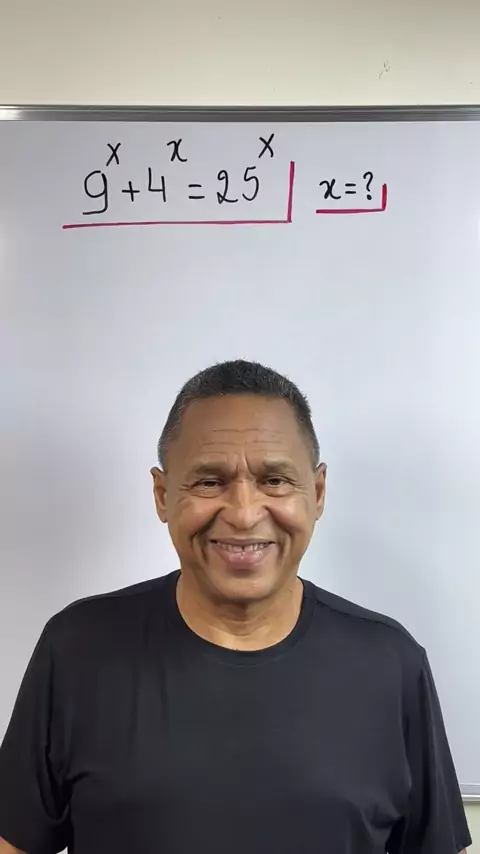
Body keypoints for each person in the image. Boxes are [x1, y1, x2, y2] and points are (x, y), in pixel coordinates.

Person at [0, 360, 471, 854]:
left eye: (275, 480)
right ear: (162, 495)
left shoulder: (390, 664)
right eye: (209, 482)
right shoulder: (78, 649)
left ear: (317, 493)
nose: (244, 514)